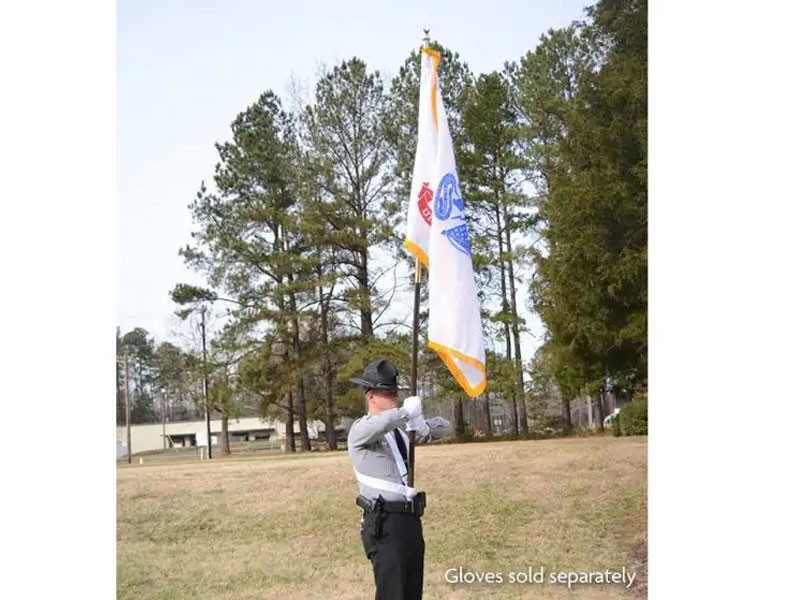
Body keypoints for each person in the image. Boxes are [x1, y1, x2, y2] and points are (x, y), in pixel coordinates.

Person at [348, 358, 454, 600]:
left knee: (411, 591)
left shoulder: (400, 431)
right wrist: (405, 413)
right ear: (370, 395)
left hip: (409, 519)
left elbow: (446, 427)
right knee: (392, 593)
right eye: (387, 392)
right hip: (384, 521)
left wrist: (421, 425)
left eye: (395, 392)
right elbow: (381, 423)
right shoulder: (360, 431)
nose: (393, 396)